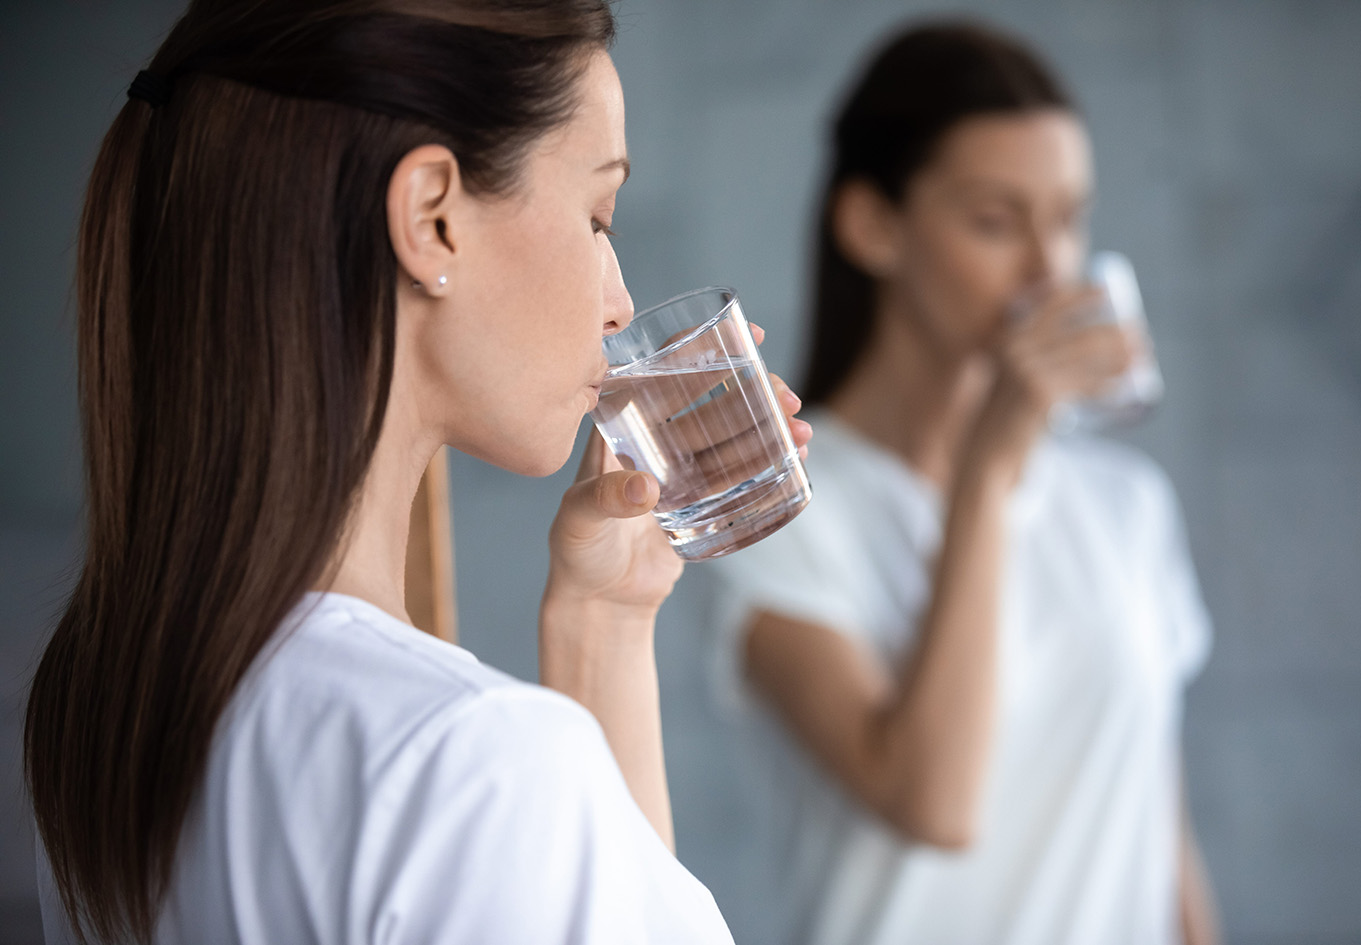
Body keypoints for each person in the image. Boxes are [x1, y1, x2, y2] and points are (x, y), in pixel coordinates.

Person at [23, 2, 810, 942]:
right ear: (431, 216)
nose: (620, 302)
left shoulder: (96, 720)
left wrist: (603, 616)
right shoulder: (470, 758)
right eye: (596, 216)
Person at [704, 20, 1221, 945]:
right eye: (995, 220)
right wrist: (985, 472)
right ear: (872, 225)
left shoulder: (1125, 504)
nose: (1047, 269)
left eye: (1067, 218)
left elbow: (1157, 831)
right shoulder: (783, 517)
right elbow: (930, 801)